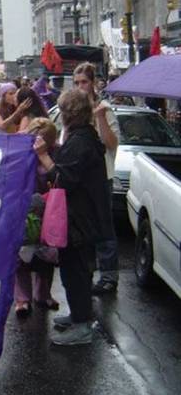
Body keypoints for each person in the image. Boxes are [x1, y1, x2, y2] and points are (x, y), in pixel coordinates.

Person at [34, 89, 111, 345]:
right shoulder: (84, 137)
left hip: (80, 220)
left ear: (69, 113)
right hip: (83, 217)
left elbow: (64, 178)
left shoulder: (80, 142)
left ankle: (82, 326)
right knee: (75, 271)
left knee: (76, 272)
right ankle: (80, 315)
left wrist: (43, 156)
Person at [72, 62, 120, 295]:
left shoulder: (104, 108)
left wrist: (99, 117)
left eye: (84, 82)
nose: (81, 87)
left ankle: (109, 275)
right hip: (79, 177)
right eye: (77, 82)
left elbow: (111, 145)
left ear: (93, 83)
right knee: (83, 227)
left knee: (103, 226)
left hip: (102, 176)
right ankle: (86, 274)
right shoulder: (72, 110)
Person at [14, 118, 59, 316]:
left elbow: (59, 176)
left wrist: (43, 156)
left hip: (49, 210)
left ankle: (43, 294)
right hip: (23, 208)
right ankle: (22, 299)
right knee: (22, 257)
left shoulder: (57, 152)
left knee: (47, 255)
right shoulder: (19, 151)